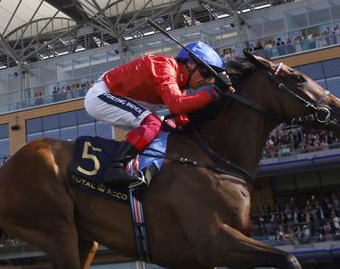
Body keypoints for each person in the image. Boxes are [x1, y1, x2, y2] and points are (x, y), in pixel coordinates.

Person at [83, 42, 231, 186]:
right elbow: (177, 104)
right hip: (101, 95)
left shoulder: (180, 84)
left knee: (164, 128)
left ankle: (145, 171)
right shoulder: (164, 66)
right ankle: (115, 168)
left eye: (211, 78)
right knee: (153, 123)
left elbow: (182, 121)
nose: (206, 81)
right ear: (190, 64)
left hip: (115, 97)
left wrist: (221, 102)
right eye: (206, 73)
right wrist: (213, 93)